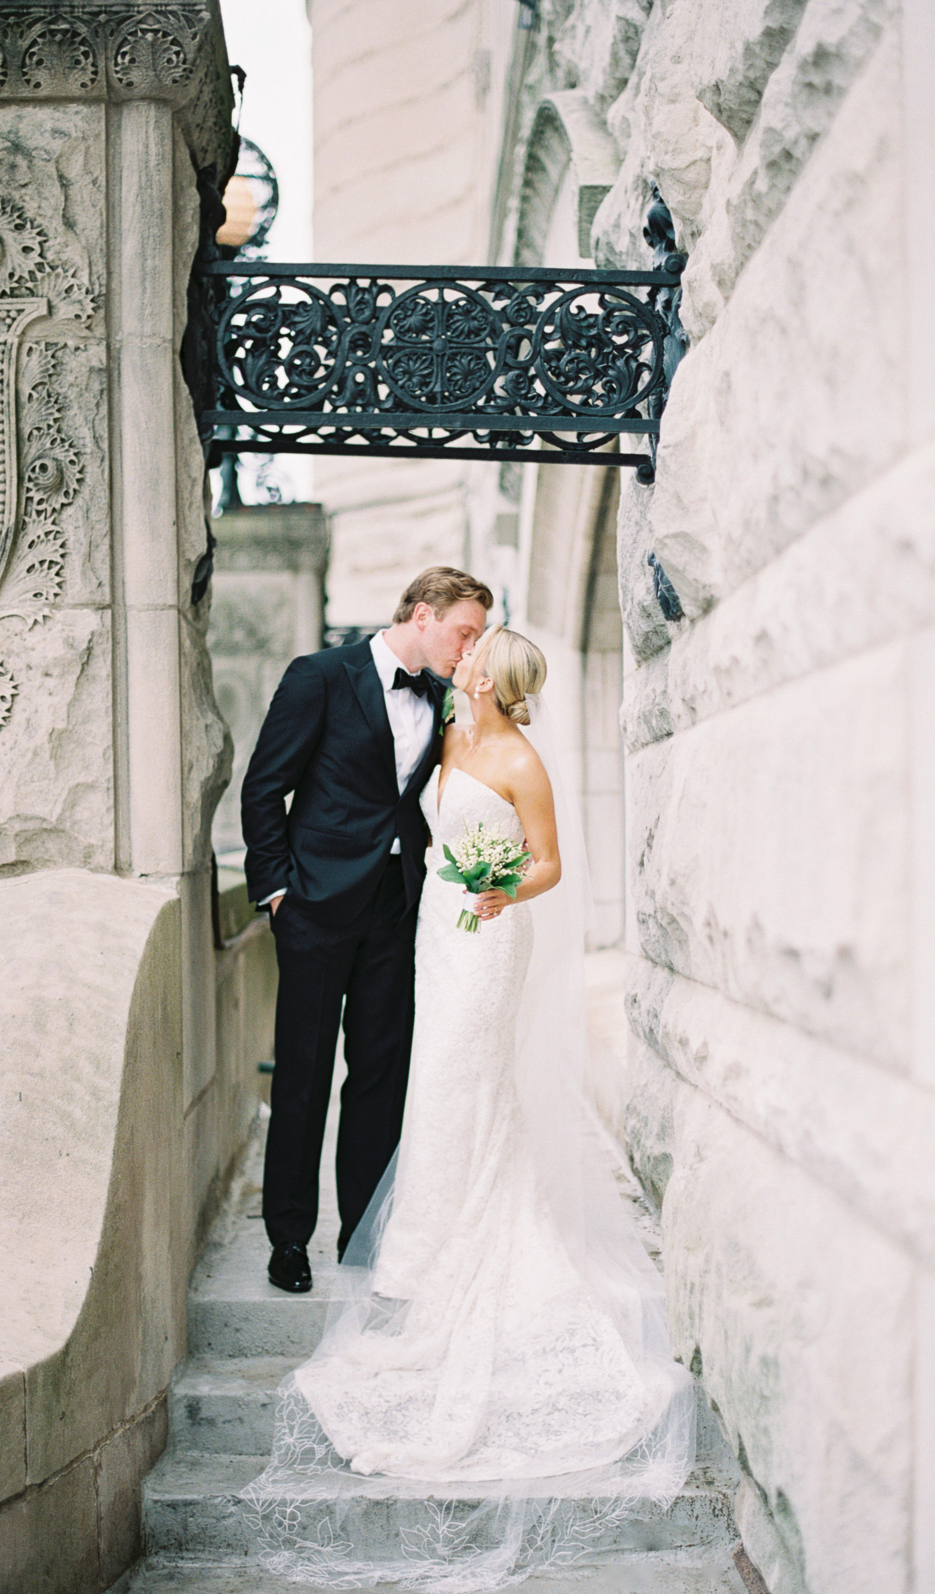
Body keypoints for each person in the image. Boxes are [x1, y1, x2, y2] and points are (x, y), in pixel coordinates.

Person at [244, 626, 697, 1590]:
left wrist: (492, 891)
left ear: (493, 678)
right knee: (431, 1094)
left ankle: (471, 1250)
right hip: (427, 943)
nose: (463, 663)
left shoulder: (519, 756)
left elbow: (548, 866)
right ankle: (421, 1245)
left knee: (465, 1089)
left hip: (485, 940)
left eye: (476, 655)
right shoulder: (447, 735)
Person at [240, 567, 493, 1293]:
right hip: (315, 908)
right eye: (463, 632)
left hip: (396, 906)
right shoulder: (320, 676)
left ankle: (363, 1232)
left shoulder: (446, 700)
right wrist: (279, 889)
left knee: (381, 1076)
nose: (468, 647)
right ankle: (288, 1239)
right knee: (304, 1073)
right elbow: (265, 786)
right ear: (422, 614)